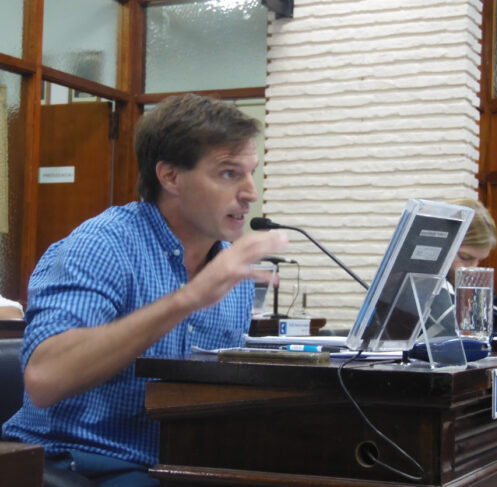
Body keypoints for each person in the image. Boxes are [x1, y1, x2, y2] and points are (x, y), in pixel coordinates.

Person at [2, 94, 288, 486]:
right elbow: (45, 378)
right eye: (228, 173)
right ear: (170, 177)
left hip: (180, 462)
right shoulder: (102, 245)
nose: (250, 193)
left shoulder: (227, 267)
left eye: (251, 173)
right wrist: (187, 299)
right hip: (80, 459)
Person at [428, 198, 497, 336]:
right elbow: (467, 329)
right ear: (443, 244)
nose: (472, 268)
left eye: (479, 261)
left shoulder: (464, 280)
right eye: (465, 257)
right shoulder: (425, 278)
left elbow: (486, 325)